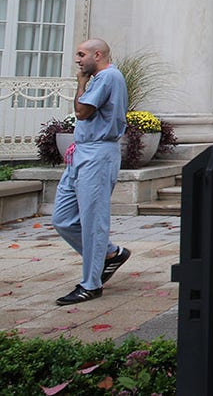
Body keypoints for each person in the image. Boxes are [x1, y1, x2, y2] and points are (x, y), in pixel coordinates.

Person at [52, 38, 132, 305]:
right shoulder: (101, 77)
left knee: (93, 222)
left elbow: (82, 111)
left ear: (97, 55)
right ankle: (112, 254)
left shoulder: (108, 77)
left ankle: (91, 284)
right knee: (62, 219)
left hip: (98, 154)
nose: (77, 59)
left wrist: (81, 82)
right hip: (82, 152)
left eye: (81, 54)